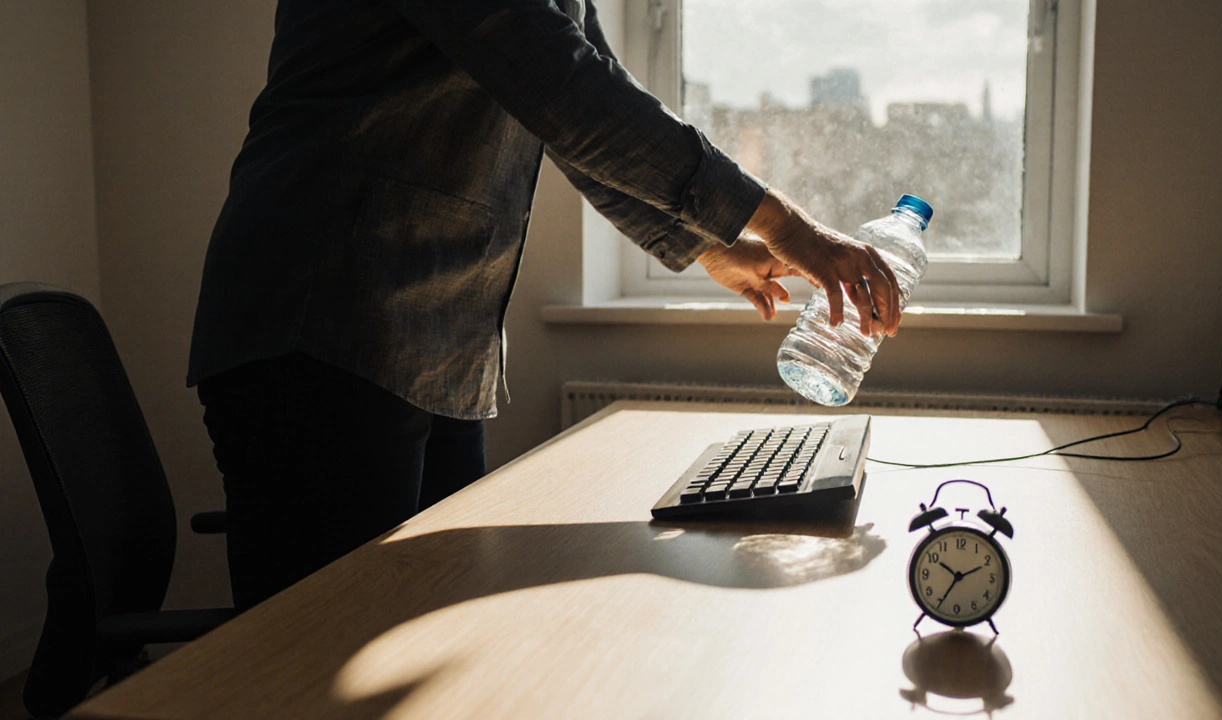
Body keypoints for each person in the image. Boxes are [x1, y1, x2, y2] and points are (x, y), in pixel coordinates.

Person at [189, 0, 902, 610]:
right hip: (321, 315)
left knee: (439, 616)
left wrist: (710, 246)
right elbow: (569, 95)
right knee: (309, 659)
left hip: (434, 334)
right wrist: (786, 226)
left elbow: (582, 102)